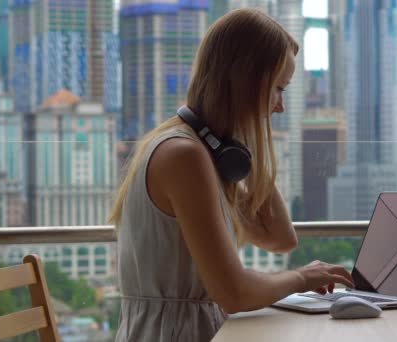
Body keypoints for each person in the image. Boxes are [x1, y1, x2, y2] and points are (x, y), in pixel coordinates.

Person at [109, 8, 354, 342]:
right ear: (246, 84)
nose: (279, 106)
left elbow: (280, 238)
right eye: (278, 89)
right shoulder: (184, 155)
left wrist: (242, 146)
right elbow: (234, 293)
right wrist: (301, 278)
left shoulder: (206, 151)